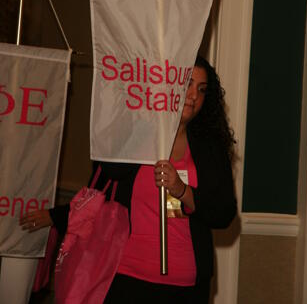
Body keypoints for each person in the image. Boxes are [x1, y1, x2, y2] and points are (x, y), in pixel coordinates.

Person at [20, 55, 237, 303]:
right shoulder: (137, 136)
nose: (193, 96)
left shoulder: (209, 149)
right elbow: (101, 190)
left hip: (187, 283)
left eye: (201, 89)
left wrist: (182, 190)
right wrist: (56, 216)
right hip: (125, 276)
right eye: (186, 83)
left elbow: (224, 213)